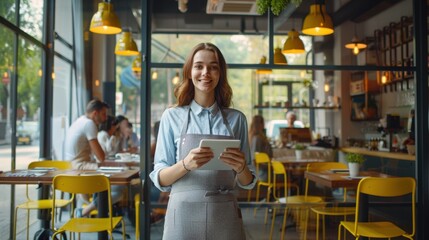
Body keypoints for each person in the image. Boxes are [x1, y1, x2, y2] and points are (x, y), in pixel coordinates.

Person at [149, 42, 256, 239]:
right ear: (190, 71)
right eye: (199, 66)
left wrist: (242, 168)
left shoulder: (236, 119)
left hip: (225, 215)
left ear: (220, 73)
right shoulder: (171, 117)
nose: (206, 72)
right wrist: (185, 164)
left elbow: (248, 182)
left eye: (213, 67)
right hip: (182, 216)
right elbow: (160, 178)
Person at [64, 99, 125, 217]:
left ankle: (92, 209)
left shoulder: (80, 120)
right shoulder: (89, 124)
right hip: (79, 166)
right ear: (95, 113)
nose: (106, 117)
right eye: (104, 114)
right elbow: (101, 156)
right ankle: (87, 210)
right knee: (118, 187)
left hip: (71, 166)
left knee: (113, 181)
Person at [249, 115, 272, 182]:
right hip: (262, 173)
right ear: (261, 124)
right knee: (286, 175)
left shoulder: (252, 137)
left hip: (260, 171)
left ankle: (273, 192)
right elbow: (255, 159)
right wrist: (270, 166)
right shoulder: (257, 138)